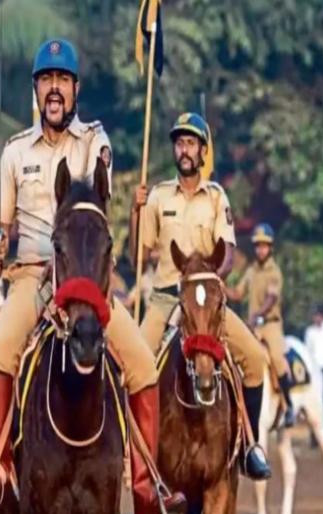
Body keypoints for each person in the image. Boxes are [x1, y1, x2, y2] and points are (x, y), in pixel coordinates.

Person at [0, 38, 186, 514]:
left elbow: (97, 183)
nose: (54, 89)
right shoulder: (14, 152)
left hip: (84, 277)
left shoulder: (93, 140)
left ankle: (146, 482)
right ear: (36, 89)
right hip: (32, 276)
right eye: (46, 80)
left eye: (63, 81)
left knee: (142, 364)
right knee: (2, 349)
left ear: (75, 90)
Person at [130, 112, 271, 480]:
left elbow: (227, 253)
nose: (184, 149)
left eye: (191, 143)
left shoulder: (217, 197)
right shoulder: (158, 196)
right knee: (131, 365)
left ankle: (249, 447)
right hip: (165, 298)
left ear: (203, 151)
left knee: (255, 358)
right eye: (179, 143)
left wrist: (207, 283)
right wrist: (134, 212)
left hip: (207, 300)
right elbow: (137, 256)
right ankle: (130, 455)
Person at [225, 223, 295, 426]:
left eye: (264, 246)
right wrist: (221, 287)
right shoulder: (251, 271)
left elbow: (272, 298)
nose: (260, 249)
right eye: (257, 246)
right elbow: (238, 294)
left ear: (270, 247)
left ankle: (289, 405)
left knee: (277, 359)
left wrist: (257, 313)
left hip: (271, 324)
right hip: (254, 326)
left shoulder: (275, 272)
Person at [305, 304, 323, 413]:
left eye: (318, 315)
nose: (316, 318)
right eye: (314, 316)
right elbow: (308, 351)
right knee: (319, 394)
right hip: (316, 369)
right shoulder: (310, 332)